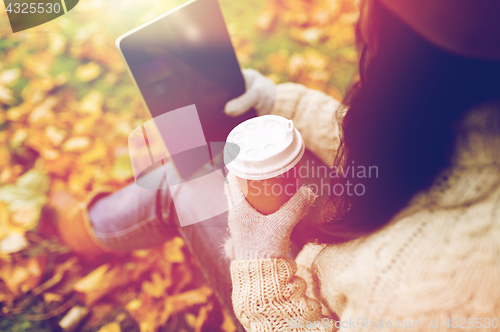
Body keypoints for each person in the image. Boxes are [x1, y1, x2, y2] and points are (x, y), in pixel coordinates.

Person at [55, 0, 500, 331]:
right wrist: (277, 102)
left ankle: (79, 229)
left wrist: (258, 258)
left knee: (186, 179)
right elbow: (405, 143)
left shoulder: (434, 296)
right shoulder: (473, 118)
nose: (358, 20)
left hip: (302, 297)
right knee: (203, 153)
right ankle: (90, 224)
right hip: (352, 234)